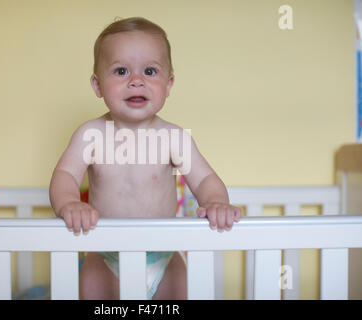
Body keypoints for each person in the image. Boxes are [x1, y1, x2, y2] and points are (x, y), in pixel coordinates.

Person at [49, 17, 242, 300]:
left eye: (150, 71)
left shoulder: (173, 138)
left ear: (168, 84)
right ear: (97, 85)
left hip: (163, 255)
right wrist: (69, 203)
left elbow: (205, 179)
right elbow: (65, 175)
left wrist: (216, 202)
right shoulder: (91, 134)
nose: (136, 81)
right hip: (105, 254)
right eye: (121, 71)